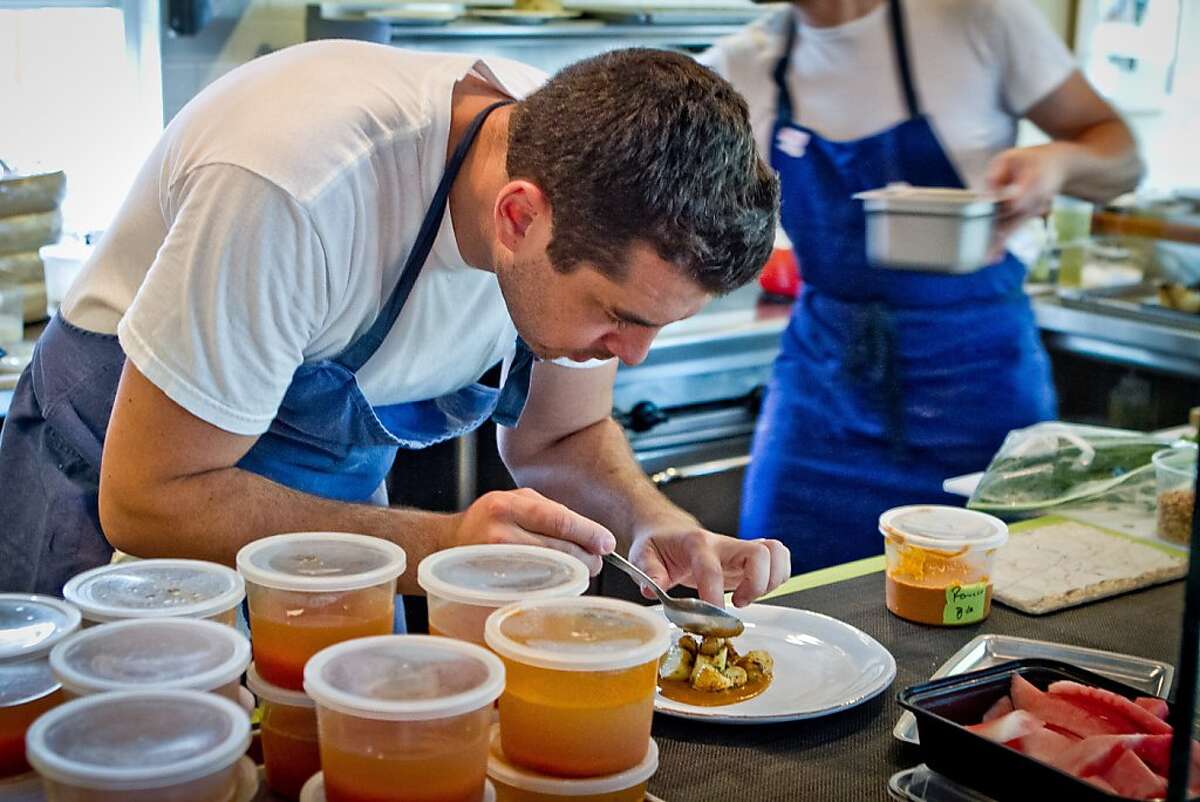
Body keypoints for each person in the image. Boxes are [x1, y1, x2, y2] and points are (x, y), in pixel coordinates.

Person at [0, 42, 791, 608]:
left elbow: (562, 437)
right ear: (518, 218)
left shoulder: (588, 170)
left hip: (329, 521)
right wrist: (442, 546)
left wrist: (654, 519)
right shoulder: (297, 190)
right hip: (114, 473)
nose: (635, 357)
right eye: (618, 316)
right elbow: (150, 499)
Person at [702, 0, 1143, 571]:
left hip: (978, 390)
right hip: (822, 398)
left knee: (996, 592)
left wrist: (1059, 162)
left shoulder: (976, 18)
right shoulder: (741, 65)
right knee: (774, 585)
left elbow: (1122, 156)